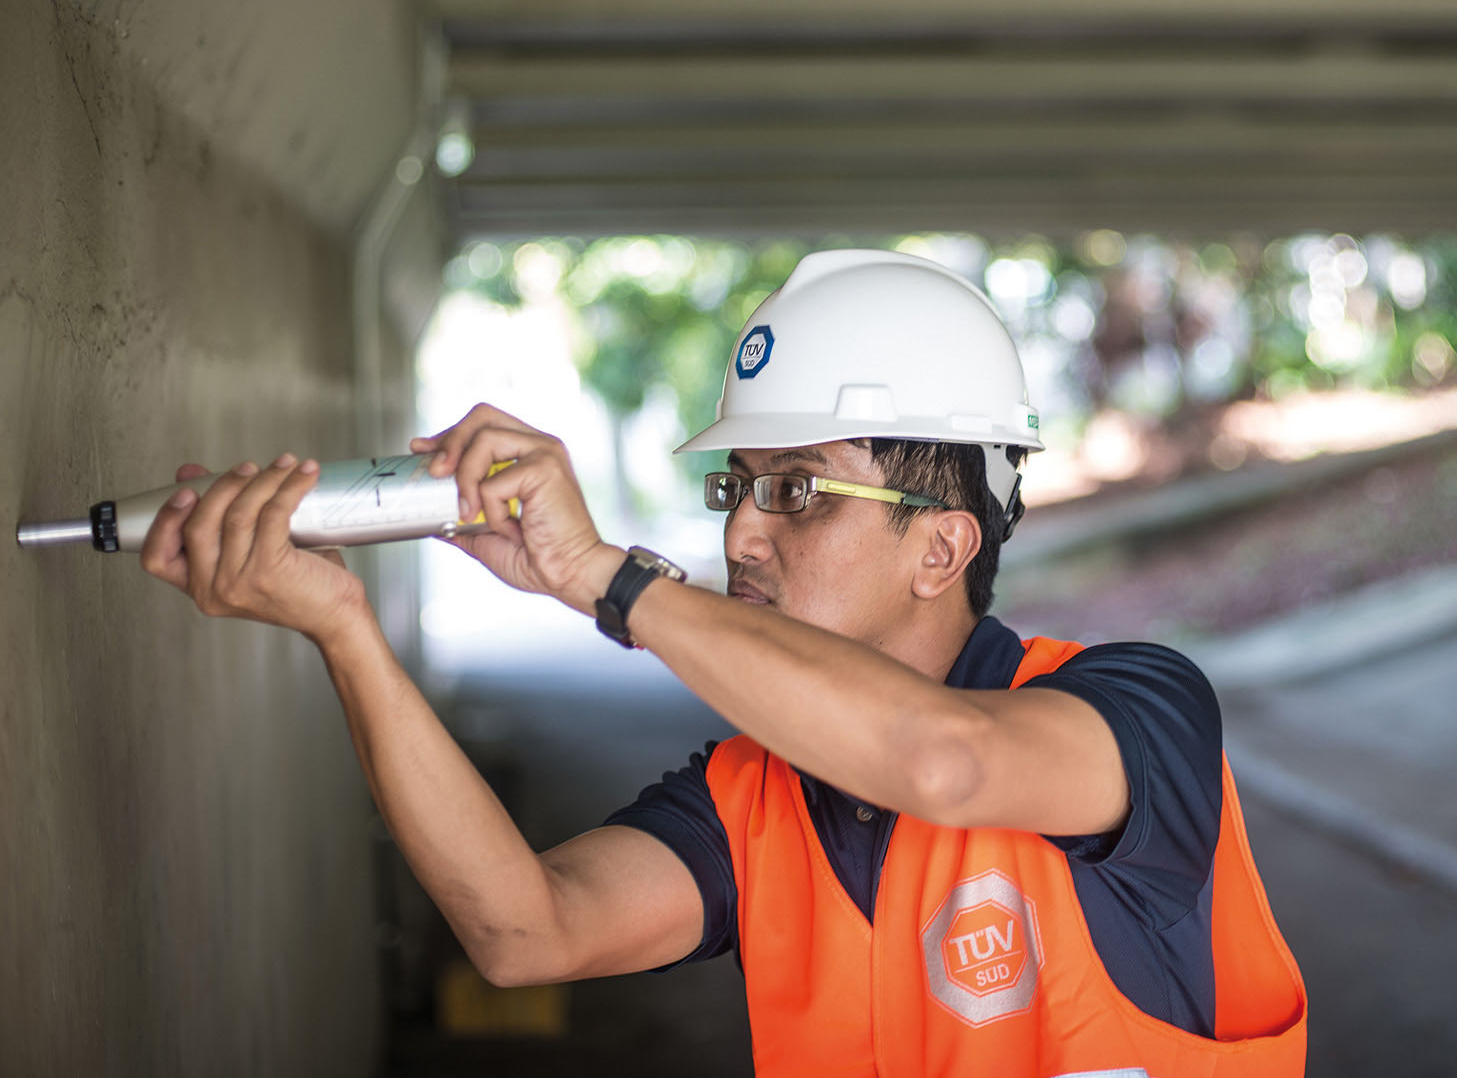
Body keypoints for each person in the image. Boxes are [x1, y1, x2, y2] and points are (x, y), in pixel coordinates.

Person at [140, 249, 1307, 1076]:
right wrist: (343, 627)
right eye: (737, 487)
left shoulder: (1137, 711)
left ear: (942, 547)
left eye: (797, 490)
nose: (743, 532)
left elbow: (946, 761)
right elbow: (526, 931)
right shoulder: (752, 798)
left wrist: (607, 579)